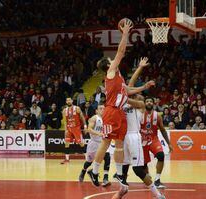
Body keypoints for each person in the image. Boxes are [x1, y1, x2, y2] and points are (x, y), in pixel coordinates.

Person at [87, 18, 155, 188]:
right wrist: (125, 33)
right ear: (108, 65)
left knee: (118, 144)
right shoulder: (110, 72)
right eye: (111, 61)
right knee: (106, 142)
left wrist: (143, 87)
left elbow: (128, 91)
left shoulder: (118, 78)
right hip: (111, 111)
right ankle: (94, 171)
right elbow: (121, 51)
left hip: (119, 113)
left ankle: (119, 174)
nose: (114, 61)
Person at [114, 57, 165, 199]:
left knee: (138, 169)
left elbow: (127, 93)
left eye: (140, 96)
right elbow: (130, 85)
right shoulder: (125, 100)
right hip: (122, 137)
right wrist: (140, 67)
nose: (139, 97)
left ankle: (157, 195)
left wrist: (119, 96)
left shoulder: (140, 105)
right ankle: (121, 191)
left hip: (134, 136)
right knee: (122, 170)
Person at [141, 96, 173, 189]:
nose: (149, 103)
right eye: (147, 101)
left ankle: (157, 180)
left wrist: (169, 143)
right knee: (143, 163)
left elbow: (163, 130)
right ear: (144, 103)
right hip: (142, 141)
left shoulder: (157, 116)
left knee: (161, 155)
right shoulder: (139, 115)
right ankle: (148, 177)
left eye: (151, 101)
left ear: (153, 103)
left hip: (153, 139)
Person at [78, 103, 111, 187]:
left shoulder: (107, 119)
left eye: (104, 109)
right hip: (94, 143)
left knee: (107, 157)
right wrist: (99, 133)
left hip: (103, 143)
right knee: (89, 162)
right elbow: (89, 129)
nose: (103, 110)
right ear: (96, 110)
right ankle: (83, 171)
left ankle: (105, 178)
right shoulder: (94, 118)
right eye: (100, 108)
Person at [61, 97, 87, 164]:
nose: (68, 101)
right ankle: (67, 159)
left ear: (72, 101)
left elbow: (82, 118)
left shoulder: (77, 108)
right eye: (67, 100)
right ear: (66, 102)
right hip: (69, 129)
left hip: (76, 128)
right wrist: (65, 130)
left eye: (69, 100)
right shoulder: (64, 110)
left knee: (81, 143)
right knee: (66, 143)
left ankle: (87, 158)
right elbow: (65, 121)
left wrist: (85, 126)